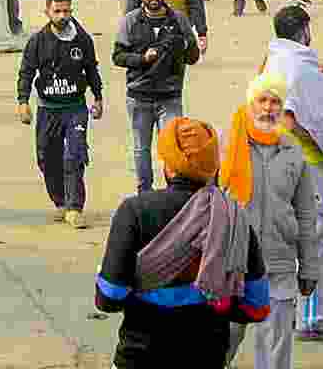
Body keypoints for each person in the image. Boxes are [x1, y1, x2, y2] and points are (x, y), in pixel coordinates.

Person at [95, 117, 271, 369]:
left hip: (140, 355)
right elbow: (258, 306)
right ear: (212, 166)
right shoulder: (233, 217)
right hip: (207, 355)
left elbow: (109, 297)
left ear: (169, 166)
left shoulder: (134, 211)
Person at [263, 5, 323, 343]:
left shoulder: (272, 63)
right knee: (315, 236)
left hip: (273, 161)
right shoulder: (301, 69)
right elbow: (291, 118)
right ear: (304, 30)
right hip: (305, 165)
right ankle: (313, 316)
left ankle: (286, 311)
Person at [219, 73, 322, 369]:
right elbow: (206, 204)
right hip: (233, 264)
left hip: (280, 264)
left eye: (275, 102)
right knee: (222, 342)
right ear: (251, 105)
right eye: (262, 101)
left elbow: (305, 212)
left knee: (276, 349)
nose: (268, 108)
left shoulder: (293, 151)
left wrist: (310, 265)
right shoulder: (229, 144)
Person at [16, 0, 103, 229]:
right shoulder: (37, 41)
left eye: (67, 11)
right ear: (47, 12)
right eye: (57, 11)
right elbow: (26, 72)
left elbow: (92, 70)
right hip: (47, 109)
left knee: (74, 155)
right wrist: (23, 101)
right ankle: (61, 201)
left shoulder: (82, 39)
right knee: (47, 158)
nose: (63, 16)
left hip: (75, 107)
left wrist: (98, 97)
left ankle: (75, 207)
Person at [113, 0, 202, 193]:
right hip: (139, 97)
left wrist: (184, 44)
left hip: (170, 97)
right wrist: (142, 59)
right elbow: (118, 56)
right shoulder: (129, 22)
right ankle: (145, 193)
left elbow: (193, 57)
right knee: (141, 149)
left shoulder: (179, 21)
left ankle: (174, 191)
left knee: (174, 148)